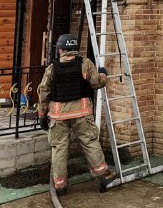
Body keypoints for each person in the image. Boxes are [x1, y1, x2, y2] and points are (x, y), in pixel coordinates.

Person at [38, 34, 112, 194]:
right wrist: (103, 73)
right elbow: (97, 83)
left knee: (59, 148)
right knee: (90, 142)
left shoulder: (52, 68)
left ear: (61, 49)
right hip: (82, 113)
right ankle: (102, 177)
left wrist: (42, 116)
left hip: (58, 117)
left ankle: (60, 185)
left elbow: (43, 93)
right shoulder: (85, 64)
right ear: (74, 49)